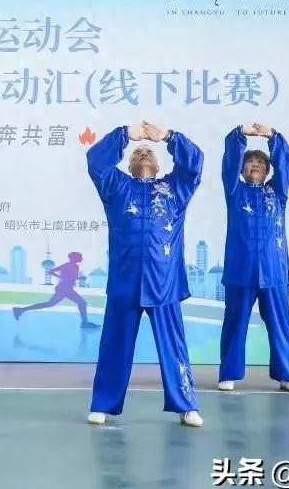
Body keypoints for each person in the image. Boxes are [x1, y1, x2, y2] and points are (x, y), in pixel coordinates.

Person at [86, 122, 204, 428]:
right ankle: (102, 404)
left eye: (149, 152)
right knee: (114, 344)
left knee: (174, 345)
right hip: (124, 280)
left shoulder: (175, 189)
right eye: (137, 153)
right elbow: (96, 161)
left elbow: (194, 164)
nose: (143, 154)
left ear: (159, 164)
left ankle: (186, 405)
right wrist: (125, 134)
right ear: (127, 164)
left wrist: (167, 137)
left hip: (163, 282)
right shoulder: (116, 187)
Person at [218, 123, 289, 393]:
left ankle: (287, 375)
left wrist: (272, 136)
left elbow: (285, 166)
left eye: (260, 162)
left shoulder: (278, 192)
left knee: (280, 325)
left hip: (274, 271)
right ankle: (228, 373)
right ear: (241, 170)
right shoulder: (234, 191)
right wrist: (239, 134)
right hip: (240, 271)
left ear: (267, 170)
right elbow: (229, 163)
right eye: (249, 162)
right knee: (235, 324)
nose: (254, 164)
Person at [13, 251, 98, 329]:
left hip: (63, 288)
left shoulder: (65, 265)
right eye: (79, 257)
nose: (81, 258)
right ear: (75, 258)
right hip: (66, 289)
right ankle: (84, 323)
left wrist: (61, 277)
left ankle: (20, 310)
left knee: (50, 304)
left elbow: (51, 272)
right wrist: (80, 278)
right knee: (82, 303)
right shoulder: (74, 266)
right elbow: (69, 278)